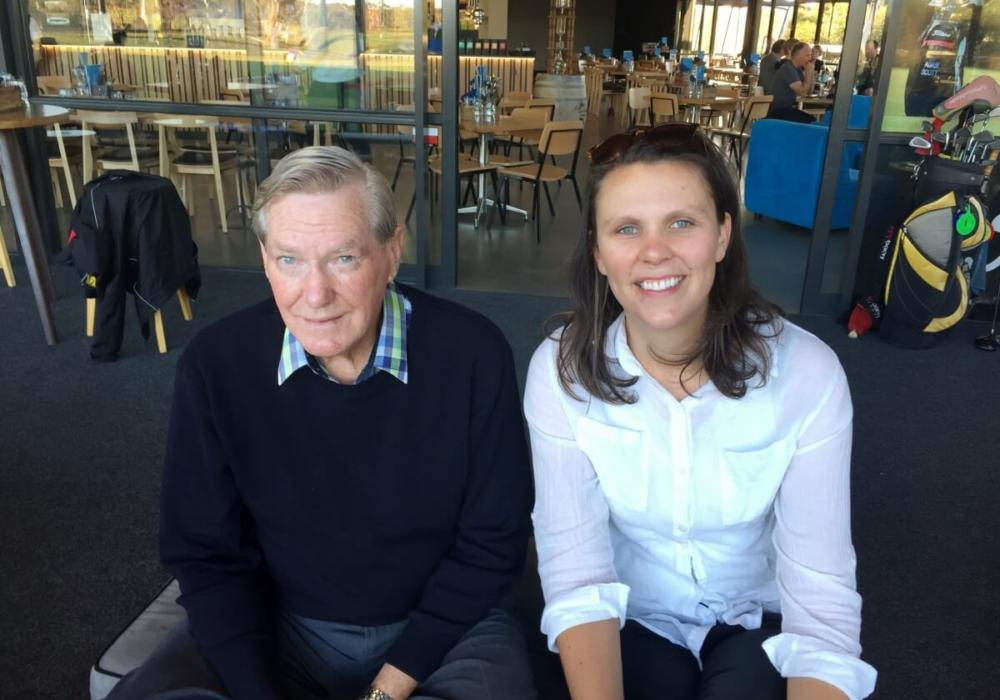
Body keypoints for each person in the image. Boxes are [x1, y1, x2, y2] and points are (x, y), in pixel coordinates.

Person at [108, 147, 536, 700]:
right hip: (279, 622)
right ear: (265, 260)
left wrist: (386, 690)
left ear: (392, 252)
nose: (315, 295)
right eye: (290, 260)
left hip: (446, 628)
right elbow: (205, 551)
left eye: (343, 258)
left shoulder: (472, 353)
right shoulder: (217, 364)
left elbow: (494, 541)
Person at [523, 122, 878, 700]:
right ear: (599, 253)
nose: (653, 251)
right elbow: (576, 572)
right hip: (630, 614)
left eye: (681, 223)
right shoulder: (560, 370)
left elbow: (821, 600)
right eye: (626, 228)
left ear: (722, 236)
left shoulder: (806, 373)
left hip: (756, 617)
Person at [767, 41, 817, 123]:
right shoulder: (788, 69)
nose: (810, 58)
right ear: (799, 55)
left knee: (812, 121)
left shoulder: (797, 69)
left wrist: (811, 73)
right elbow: (802, 92)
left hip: (786, 109)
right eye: (808, 55)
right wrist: (808, 73)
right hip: (777, 112)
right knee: (810, 123)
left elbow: (808, 92)